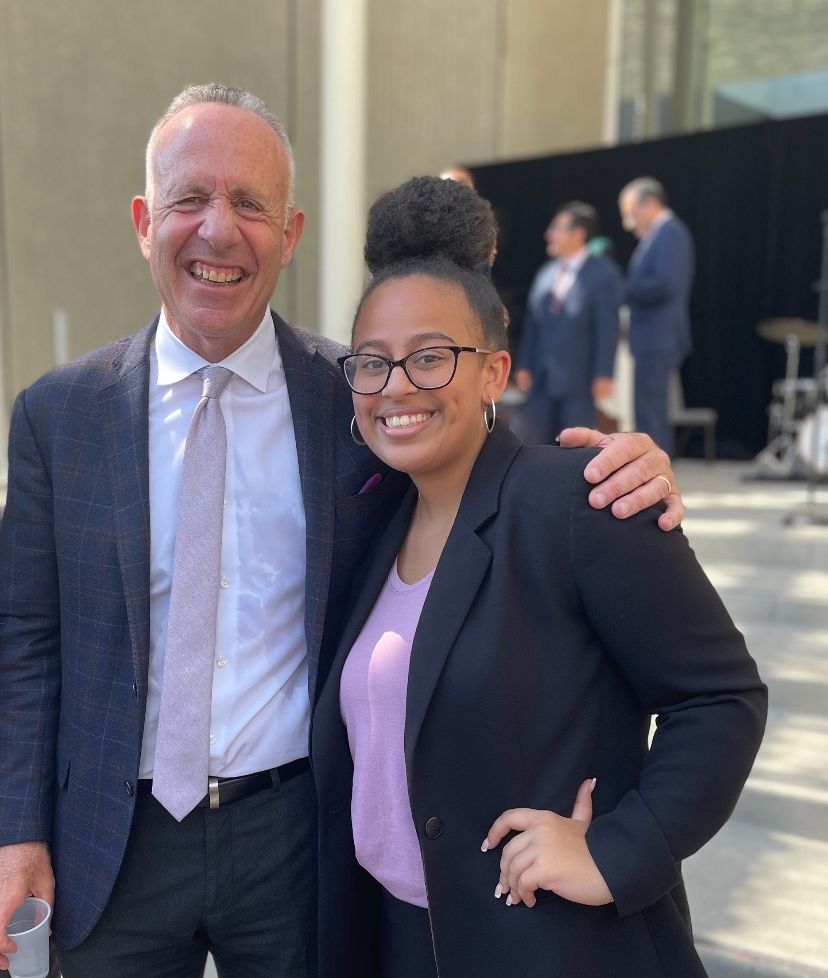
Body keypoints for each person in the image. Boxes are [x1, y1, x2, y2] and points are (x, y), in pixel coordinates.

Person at [0, 86, 682, 978]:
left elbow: (479, 476)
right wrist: (17, 831)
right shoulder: (60, 414)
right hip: (110, 842)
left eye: (251, 204)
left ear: (290, 233)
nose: (218, 230)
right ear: (142, 219)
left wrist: (621, 473)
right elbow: (26, 639)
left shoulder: (357, 395)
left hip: (297, 838)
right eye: (189, 200)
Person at [311, 176, 767, 978]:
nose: (397, 388)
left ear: (494, 372)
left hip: (554, 948)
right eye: (372, 364)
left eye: (431, 357)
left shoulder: (577, 500)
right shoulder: (374, 522)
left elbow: (720, 698)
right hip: (398, 943)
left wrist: (618, 852)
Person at [513, 201, 623, 443]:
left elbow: (607, 328)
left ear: (578, 234)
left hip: (579, 381)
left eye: (556, 228)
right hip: (541, 379)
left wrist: (604, 373)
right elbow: (533, 324)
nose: (548, 234)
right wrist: (524, 364)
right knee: (534, 443)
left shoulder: (603, 273)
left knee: (576, 446)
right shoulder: (545, 273)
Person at [619, 177, 695, 456]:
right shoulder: (656, 236)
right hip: (650, 338)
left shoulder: (670, 233)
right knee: (646, 411)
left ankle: (656, 477)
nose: (629, 221)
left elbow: (665, 284)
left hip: (658, 337)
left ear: (650, 204)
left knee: (652, 413)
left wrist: (622, 288)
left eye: (631, 213)